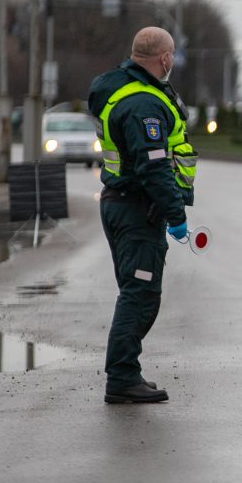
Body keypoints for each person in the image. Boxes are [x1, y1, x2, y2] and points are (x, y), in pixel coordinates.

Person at [87, 26, 198, 404]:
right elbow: (154, 166)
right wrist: (175, 212)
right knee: (140, 295)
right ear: (164, 59)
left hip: (123, 203)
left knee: (138, 292)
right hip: (136, 208)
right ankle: (121, 378)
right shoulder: (144, 104)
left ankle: (127, 372)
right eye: (173, 56)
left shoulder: (123, 89)